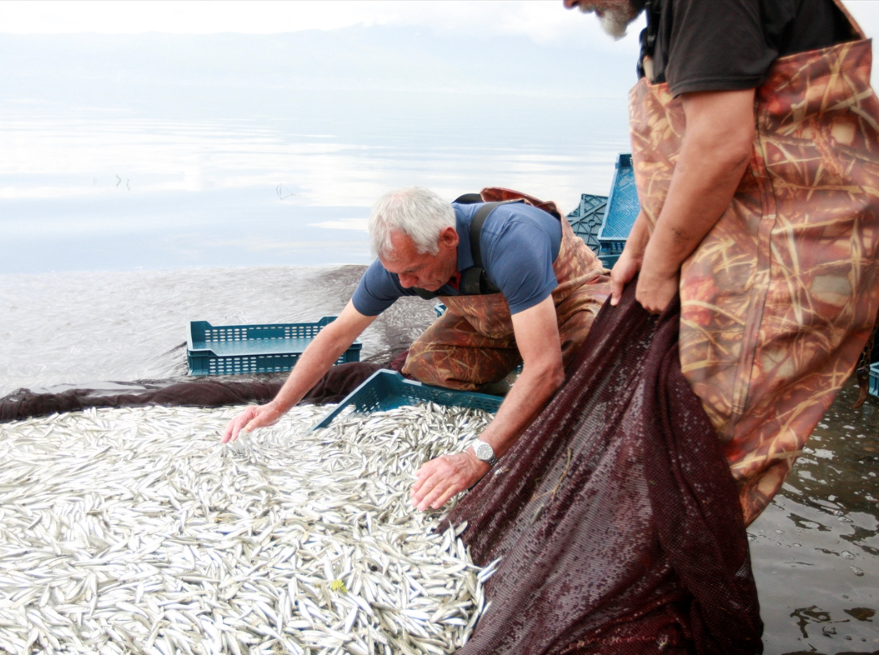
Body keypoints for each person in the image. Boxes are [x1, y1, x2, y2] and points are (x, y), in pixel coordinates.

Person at [565, 0, 879, 522]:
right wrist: (638, 248)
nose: (568, 3)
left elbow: (719, 146)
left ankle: (671, 585)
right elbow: (683, 151)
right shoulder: (672, 17)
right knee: (668, 438)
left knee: (704, 452)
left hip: (789, 249)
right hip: (742, 229)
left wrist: (664, 267)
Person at [223, 186, 610, 511]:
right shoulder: (399, 266)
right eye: (396, 273)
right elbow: (337, 336)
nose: (405, 284)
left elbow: (546, 368)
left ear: (448, 239)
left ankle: (520, 387)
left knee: (576, 371)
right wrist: (276, 406)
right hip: (492, 319)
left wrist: (475, 458)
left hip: (563, 300)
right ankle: (513, 384)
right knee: (424, 364)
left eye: (414, 271)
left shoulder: (511, 241)